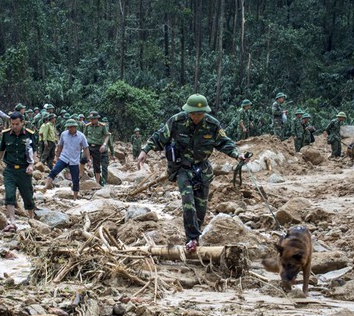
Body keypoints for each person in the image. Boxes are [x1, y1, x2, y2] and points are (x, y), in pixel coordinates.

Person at [137, 94, 251, 252]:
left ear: (205, 112)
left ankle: (195, 238)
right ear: (187, 111)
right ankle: (191, 239)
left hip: (202, 169)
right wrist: (145, 151)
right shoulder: (177, 121)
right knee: (188, 202)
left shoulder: (212, 125)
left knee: (201, 207)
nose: (196, 116)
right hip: (183, 168)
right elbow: (159, 136)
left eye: (200, 113)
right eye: (193, 113)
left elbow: (224, 143)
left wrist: (238, 155)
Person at [0, 111, 37, 231]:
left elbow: (33, 151)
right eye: (12, 124)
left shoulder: (29, 134)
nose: (14, 126)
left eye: (17, 124)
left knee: (28, 195)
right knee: (10, 194)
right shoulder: (6, 135)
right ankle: (12, 221)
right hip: (10, 170)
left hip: (24, 170)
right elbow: (1, 151)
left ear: (22, 123)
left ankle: (31, 219)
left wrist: (31, 165)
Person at [44, 119, 90, 200]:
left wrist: (88, 160)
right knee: (54, 171)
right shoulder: (64, 134)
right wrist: (57, 156)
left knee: (75, 179)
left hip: (74, 160)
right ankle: (45, 187)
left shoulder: (81, 136)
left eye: (71, 127)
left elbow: (86, 148)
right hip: (64, 158)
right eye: (68, 127)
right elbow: (60, 145)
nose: (69, 129)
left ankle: (75, 198)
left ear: (75, 127)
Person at [84, 111, 110, 186]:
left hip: (97, 147)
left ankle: (97, 183)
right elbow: (84, 135)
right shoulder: (87, 126)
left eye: (93, 119)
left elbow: (107, 135)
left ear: (97, 119)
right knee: (82, 159)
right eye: (90, 119)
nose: (91, 120)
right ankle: (80, 175)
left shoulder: (102, 126)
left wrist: (104, 144)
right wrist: (84, 144)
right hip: (88, 146)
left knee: (97, 165)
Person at [100, 117, 115, 185]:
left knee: (103, 167)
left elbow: (111, 145)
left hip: (103, 152)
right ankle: (101, 181)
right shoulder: (106, 133)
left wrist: (113, 154)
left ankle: (103, 181)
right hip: (97, 152)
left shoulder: (107, 134)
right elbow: (111, 145)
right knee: (100, 167)